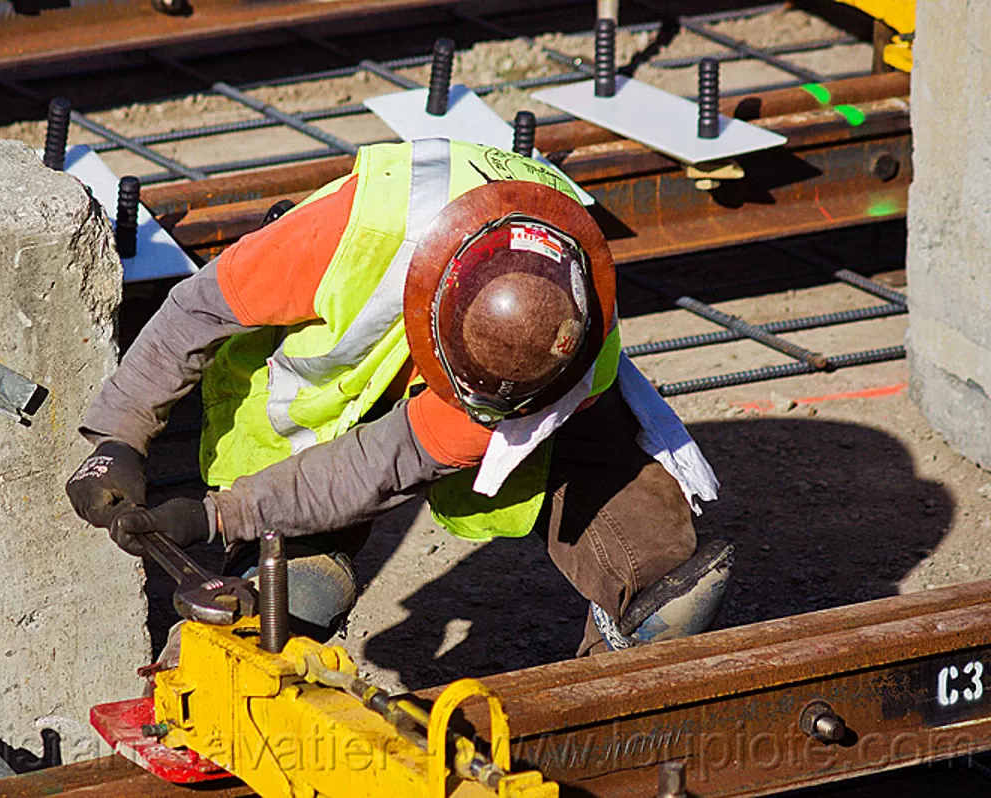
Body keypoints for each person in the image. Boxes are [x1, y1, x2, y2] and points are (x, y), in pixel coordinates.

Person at [65, 138, 731, 654]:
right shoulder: (351, 235)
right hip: (328, 397)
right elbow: (193, 311)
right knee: (284, 599)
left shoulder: (569, 343)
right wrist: (120, 435)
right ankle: (234, 674)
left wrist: (217, 516)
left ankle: (607, 714)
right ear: (429, 311)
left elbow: (387, 460)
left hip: (519, 391)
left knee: (669, 591)